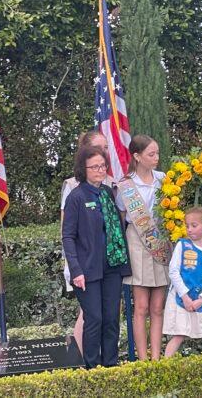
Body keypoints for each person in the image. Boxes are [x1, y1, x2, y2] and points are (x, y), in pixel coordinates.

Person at [62, 145, 131, 368]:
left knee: (111, 319)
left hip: (112, 266)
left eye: (103, 166)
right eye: (95, 167)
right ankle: (93, 367)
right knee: (95, 320)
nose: (100, 170)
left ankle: (110, 365)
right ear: (83, 168)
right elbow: (68, 237)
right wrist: (76, 270)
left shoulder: (107, 193)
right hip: (88, 270)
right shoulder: (76, 197)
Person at [115, 135, 169, 360]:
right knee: (141, 307)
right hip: (137, 243)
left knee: (158, 307)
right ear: (137, 157)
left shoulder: (164, 179)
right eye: (151, 154)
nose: (156, 158)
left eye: (157, 153)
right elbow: (122, 216)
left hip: (161, 242)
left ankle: (156, 357)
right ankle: (143, 359)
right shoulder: (125, 185)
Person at [60, 130, 110, 354]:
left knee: (105, 318)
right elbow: (68, 233)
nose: (104, 155)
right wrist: (75, 267)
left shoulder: (109, 188)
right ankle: (84, 362)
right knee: (92, 316)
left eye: (105, 151)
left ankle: (106, 362)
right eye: (100, 148)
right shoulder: (74, 189)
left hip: (106, 265)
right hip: (83, 264)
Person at [163, 206, 202, 357]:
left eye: (194, 225)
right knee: (178, 336)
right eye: (187, 226)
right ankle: (163, 369)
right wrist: (185, 297)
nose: (189, 230)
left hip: (199, 302)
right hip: (180, 299)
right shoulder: (182, 245)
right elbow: (173, 271)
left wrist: (201, 299)